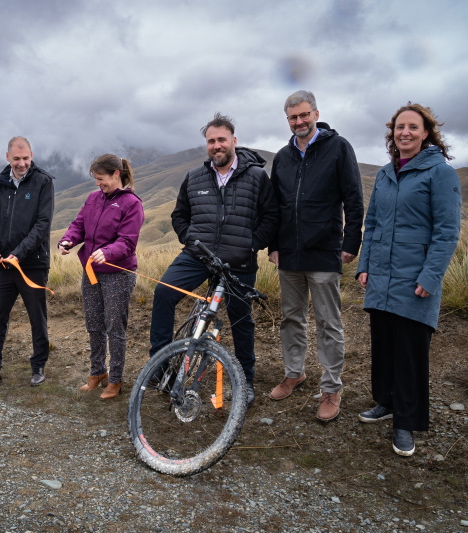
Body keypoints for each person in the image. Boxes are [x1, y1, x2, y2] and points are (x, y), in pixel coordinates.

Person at [149, 113, 279, 406]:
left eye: (222, 139)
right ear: (206, 145)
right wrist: (190, 239)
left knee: (241, 320)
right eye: (211, 141)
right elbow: (179, 215)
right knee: (163, 292)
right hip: (198, 256)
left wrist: (251, 245)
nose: (216, 145)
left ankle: (245, 379)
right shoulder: (195, 177)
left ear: (234, 141)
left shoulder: (257, 176)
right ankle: (160, 366)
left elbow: (271, 216)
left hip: (238, 260)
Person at [356, 103, 461, 457]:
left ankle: (406, 422)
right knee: (384, 345)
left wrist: (430, 276)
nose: (405, 133)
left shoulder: (440, 173)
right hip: (381, 278)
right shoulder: (386, 174)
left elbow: (447, 232)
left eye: (413, 128)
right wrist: (364, 265)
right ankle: (385, 402)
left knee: (409, 353)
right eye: (400, 127)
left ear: (426, 133)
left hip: (415, 279)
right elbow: (372, 225)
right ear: (393, 133)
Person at [267, 90, 364, 422]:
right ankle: (294, 373)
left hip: (324, 251)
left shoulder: (339, 148)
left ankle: (331, 388)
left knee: (328, 323)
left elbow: (353, 197)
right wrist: (273, 246)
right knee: (291, 319)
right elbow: (276, 207)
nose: (299, 122)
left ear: (316, 113)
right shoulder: (282, 156)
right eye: (293, 117)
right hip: (289, 255)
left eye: (304, 115)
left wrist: (351, 242)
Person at [0, 137, 55, 392]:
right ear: (7, 157)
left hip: (33, 264)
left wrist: (18, 254)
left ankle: (38, 367)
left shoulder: (43, 181)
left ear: (32, 155)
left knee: (36, 318)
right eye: (16, 159)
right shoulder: (0, 183)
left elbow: (42, 225)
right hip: (4, 266)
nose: (21, 163)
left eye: (25, 158)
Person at [58, 154, 144, 400]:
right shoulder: (93, 199)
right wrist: (67, 240)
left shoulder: (131, 204)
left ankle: (116, 380)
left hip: (118, 274)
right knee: (94, 324)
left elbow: (127, 242)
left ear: (116, 174)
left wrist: (106, 252)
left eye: (101, 178)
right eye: (95, 179)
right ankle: (97, 372)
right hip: (91, 272)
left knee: (114, 327)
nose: (98, 184)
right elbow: (79, 225)